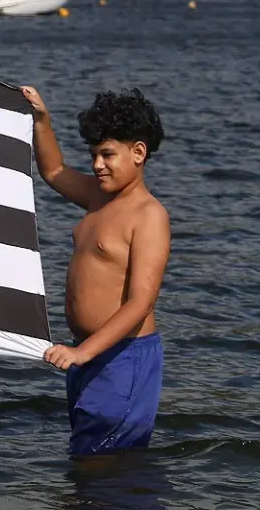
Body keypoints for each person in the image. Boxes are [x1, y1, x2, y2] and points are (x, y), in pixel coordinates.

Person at [21, 85, 171, 456]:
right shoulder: (97, 197)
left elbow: (140, 303)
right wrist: (42, 121)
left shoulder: (149, 216)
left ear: (138, 153)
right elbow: (54, 171)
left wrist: (83, 353)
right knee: (89, 460)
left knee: (106, 467)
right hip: (86, 356)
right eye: (92, 155)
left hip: (123, 358)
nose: (96, 165)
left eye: (107, 155)